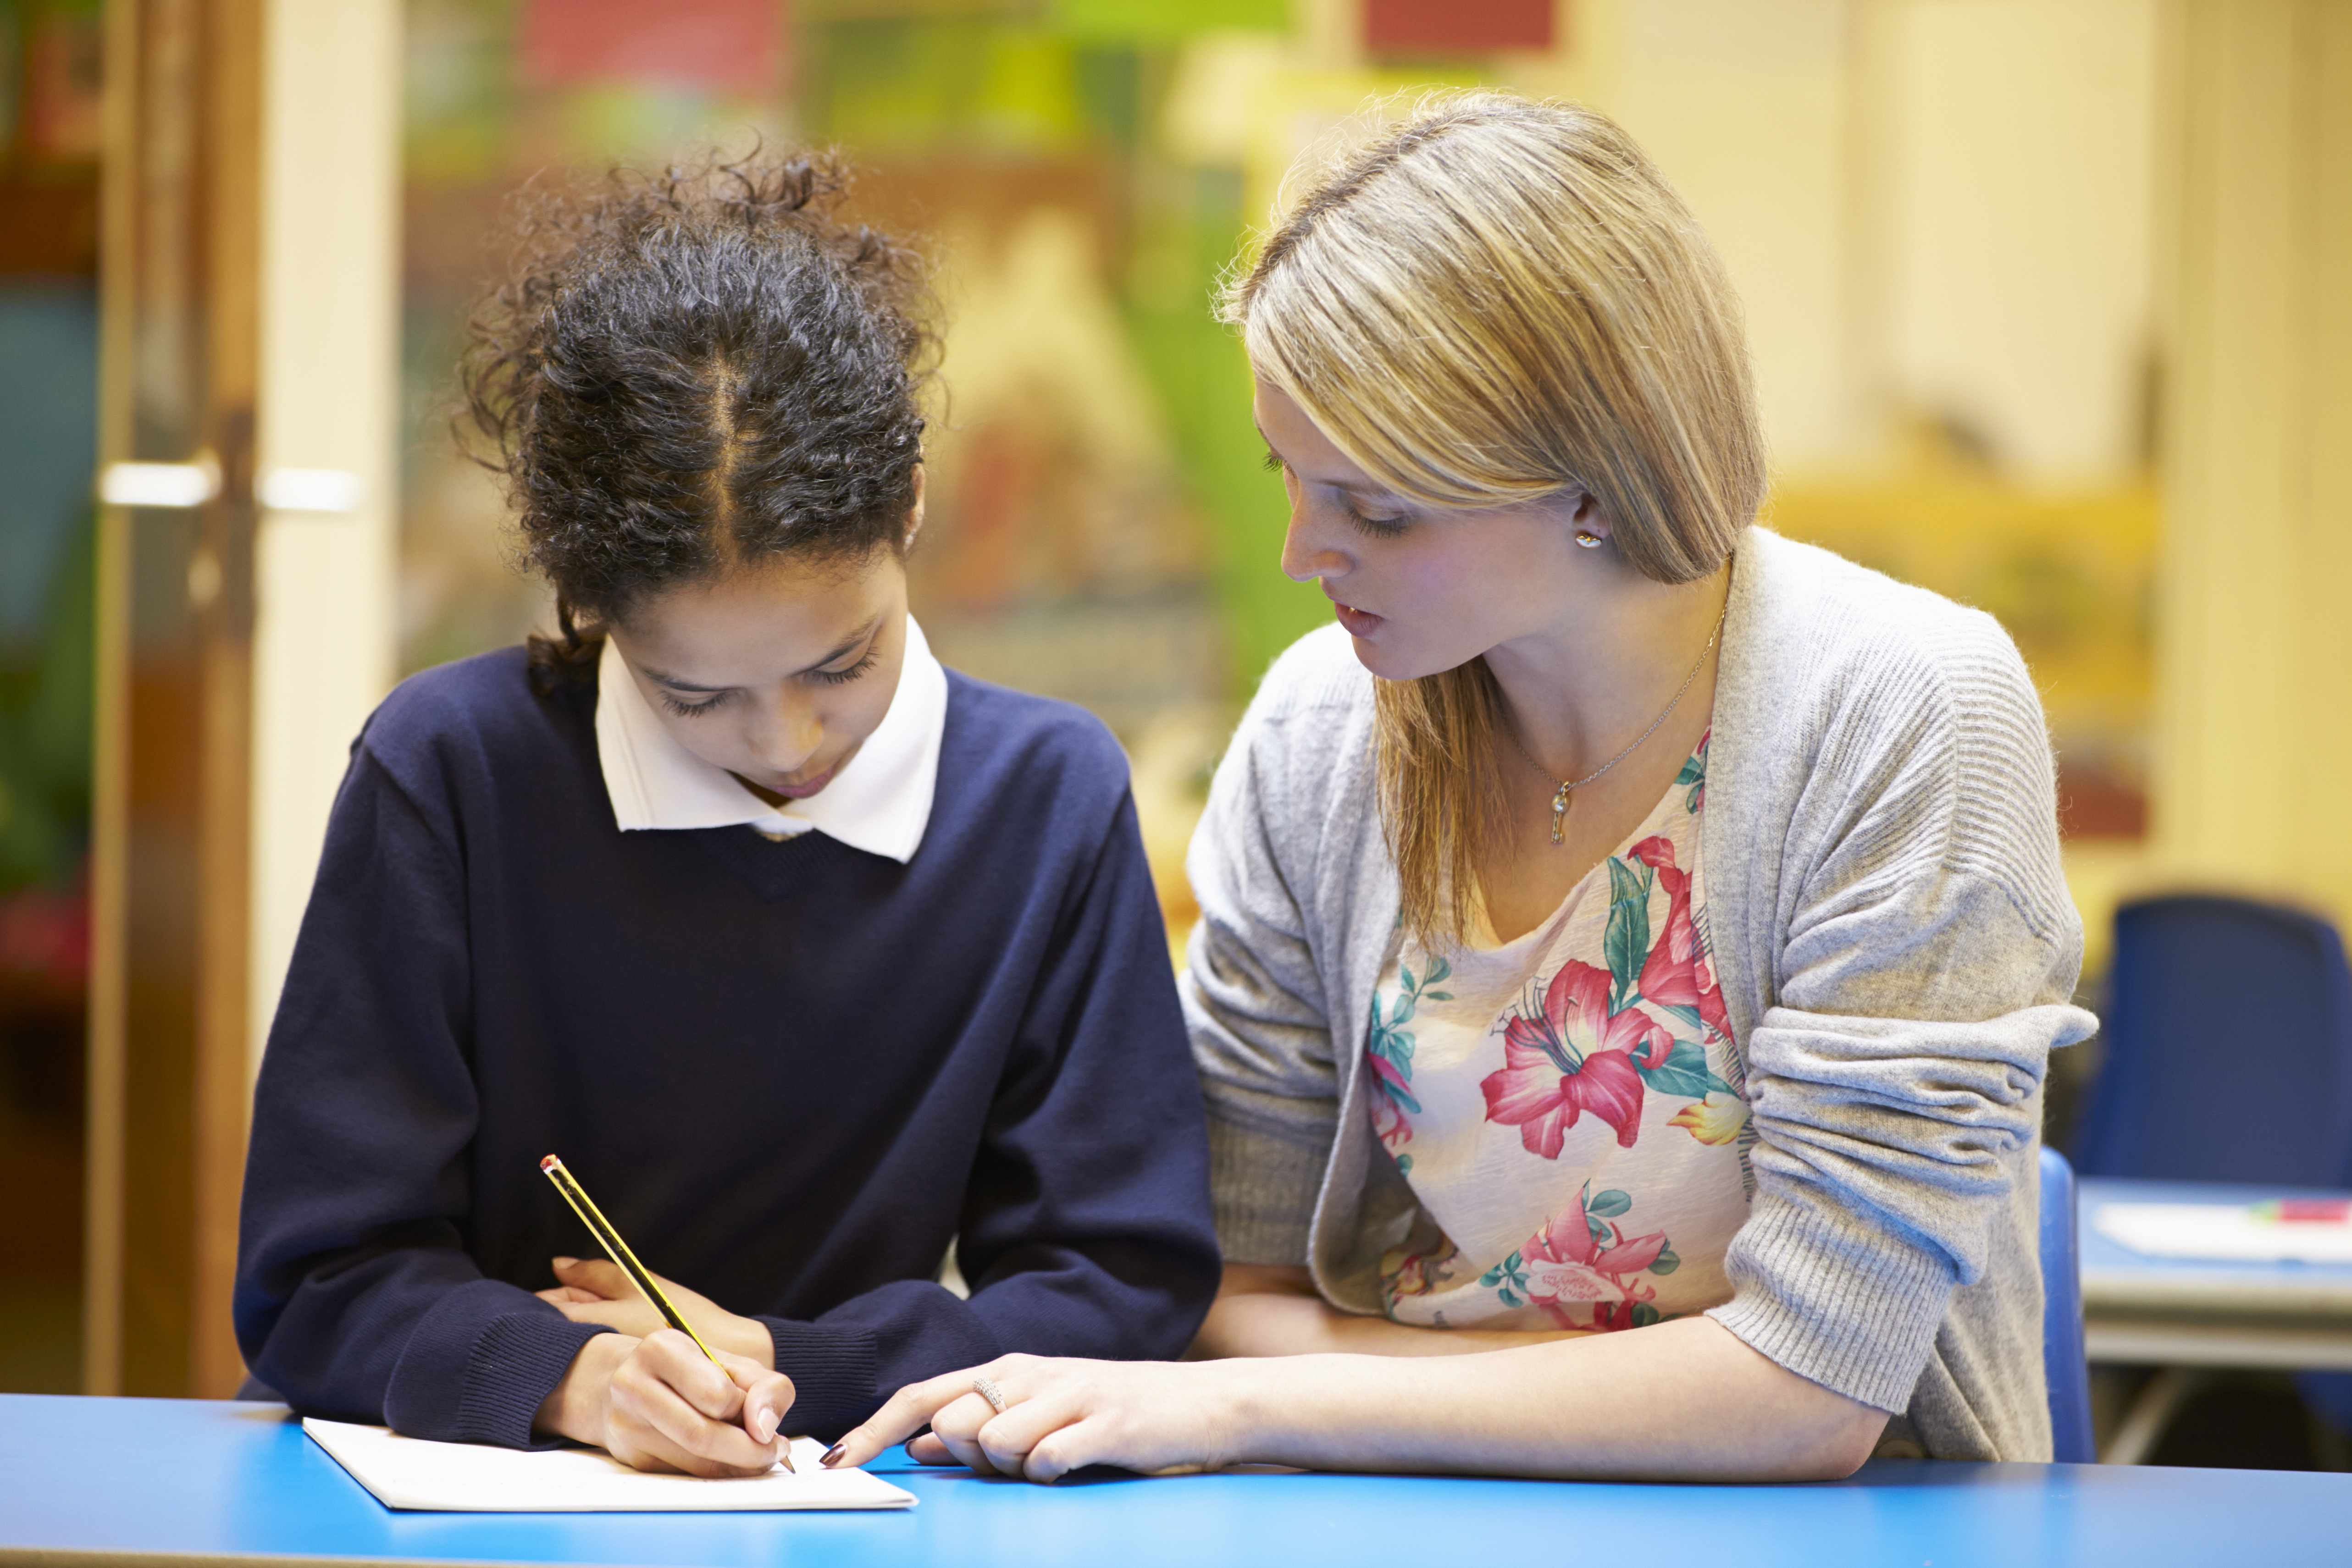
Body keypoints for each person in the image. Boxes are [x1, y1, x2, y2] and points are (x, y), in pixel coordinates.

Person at [823, 93, 2097, 1483]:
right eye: (1288, 479)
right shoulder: (1320, 729)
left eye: (1379, 508)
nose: (1308, 554)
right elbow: (1217, 1282)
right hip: (1386, 1510)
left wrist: (1271, 1400)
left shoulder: (1902, 708)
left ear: (1594, 486)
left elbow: (1808, 1392)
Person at [233, 154, 1221, 1477]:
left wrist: (784, 1358)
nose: (786, 741)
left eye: (840, 664)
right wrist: (578, 1377)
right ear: (591, 610)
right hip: (454, 1496)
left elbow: (1118, 1280)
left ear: (910, 503)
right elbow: (317, 1274)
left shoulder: (1046, 795)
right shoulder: (452, 770)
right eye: (695, 695)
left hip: (845, 1490)